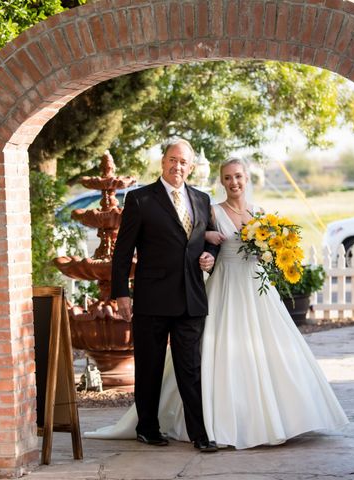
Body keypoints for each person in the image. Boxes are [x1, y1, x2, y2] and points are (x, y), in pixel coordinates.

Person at [91, 157, 348, 450]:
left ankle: (278, 418)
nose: (233, 182)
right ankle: (189, 425)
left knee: (268, 351)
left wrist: (274, 253)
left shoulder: (261, 213)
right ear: (222, 181)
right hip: (224, 288)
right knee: (208, 356)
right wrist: (208, 253)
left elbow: (215, 244)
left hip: (257, 291)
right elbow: (198, 240)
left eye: (238, 176)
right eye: (227, 178)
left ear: (247, 178)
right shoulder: (211, 209)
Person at [110, 138, 220, 452]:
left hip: (190, 298)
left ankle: (200, 434)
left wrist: (209, 255)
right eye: (172, 159)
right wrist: (121, 294)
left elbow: (208, 238)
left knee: (190, 368)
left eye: (183, 162)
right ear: (162, 161)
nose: (177, 166)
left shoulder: (201, 199)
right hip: (152, 298)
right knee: (150, 366)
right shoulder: (140, 199)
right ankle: (147, 427)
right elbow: (123, 252)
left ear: (191, 166)